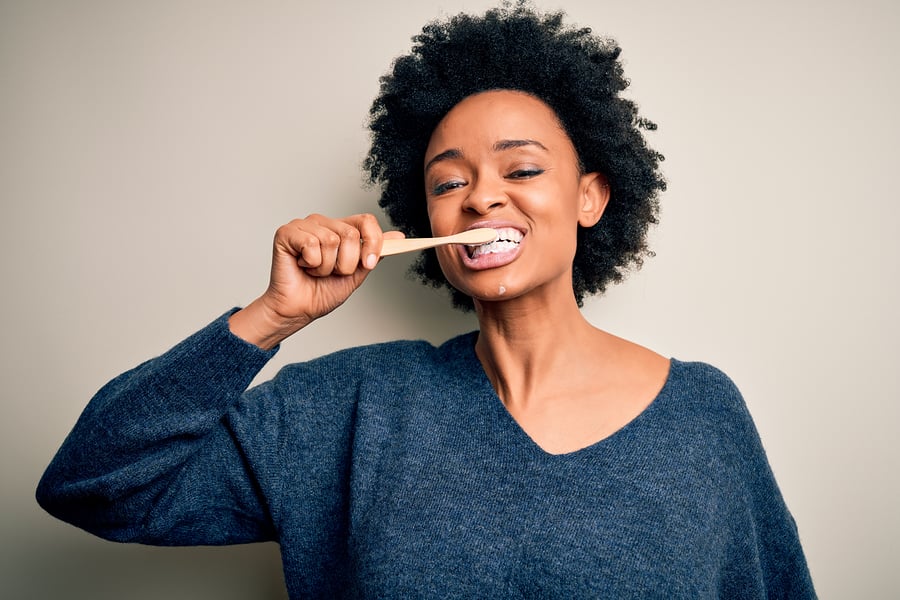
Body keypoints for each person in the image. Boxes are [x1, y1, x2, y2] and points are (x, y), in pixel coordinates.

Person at [36, 3, 816, 598]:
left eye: (521, 171)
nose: (481, 198)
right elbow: (93, 485)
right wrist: (272, 318)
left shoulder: (702, 416)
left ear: (591, 196)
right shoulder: (347, 408)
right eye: (449, 182)